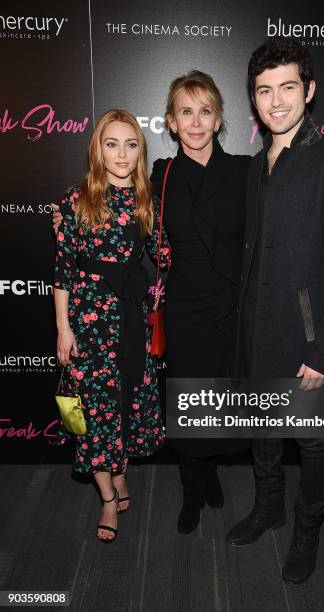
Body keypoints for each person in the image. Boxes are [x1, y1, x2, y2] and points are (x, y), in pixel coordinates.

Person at [226, 38, 324, 585]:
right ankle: (269, 507)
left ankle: (308, 527)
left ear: (309, 91)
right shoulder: (256, 167)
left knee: (311, 441)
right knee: (264, 428)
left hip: (308, 342)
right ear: (254, 100)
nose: (276, 100)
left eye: (288, 87)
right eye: (264, 90)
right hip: (257, 332)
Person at [53, 109, 166, 543]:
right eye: (111, 143)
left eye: (131, 144)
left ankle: (120, 474)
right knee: (96, 417)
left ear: (141, 151)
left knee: (126, 409)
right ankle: (106, 497)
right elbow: (63, 271)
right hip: (89, 325)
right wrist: (64, 328)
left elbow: (164, 257)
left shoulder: (147, 201)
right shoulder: (75, 201)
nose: (121, 153)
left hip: (131, 323)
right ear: (97, 149)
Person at [150, 70, 251, 534]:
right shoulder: (161, 174)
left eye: (204, 111)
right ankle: (193, 485)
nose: (195, 122)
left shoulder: (245, 171)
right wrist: (69, 215)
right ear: (171, 122)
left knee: (222, 402)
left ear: (218, 119)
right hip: (185, 306)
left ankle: (211, 467)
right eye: (185, 112)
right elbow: (121, 216)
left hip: (231, 306)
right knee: (188, 402)